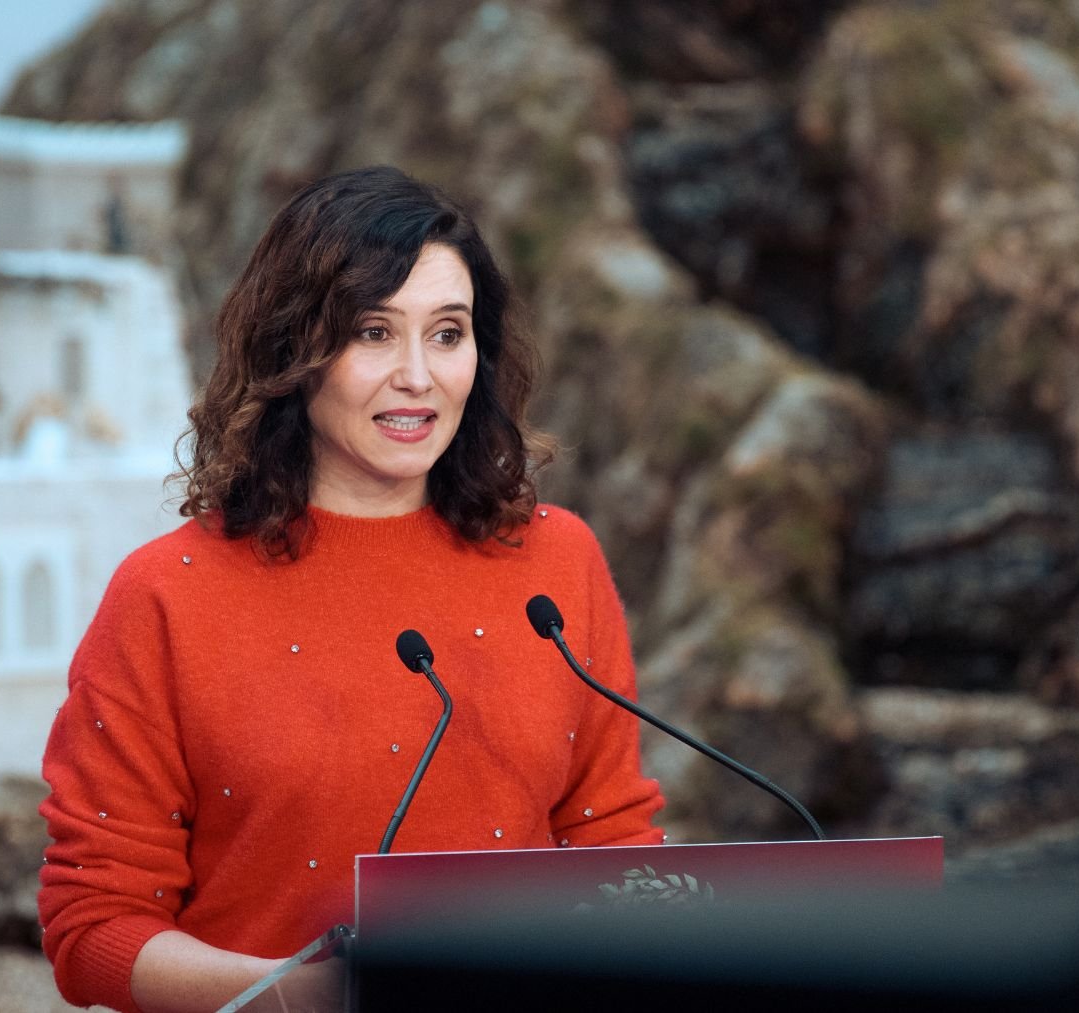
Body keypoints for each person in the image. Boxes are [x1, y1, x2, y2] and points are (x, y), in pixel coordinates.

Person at [38, 166, 665, 1013]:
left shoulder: (557, 566)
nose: (418, 376)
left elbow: (615, 847)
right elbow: (93, 926)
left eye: (448, 334)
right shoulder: (166, 596)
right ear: (295, 351)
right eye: (375, 332)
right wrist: (299, 997)